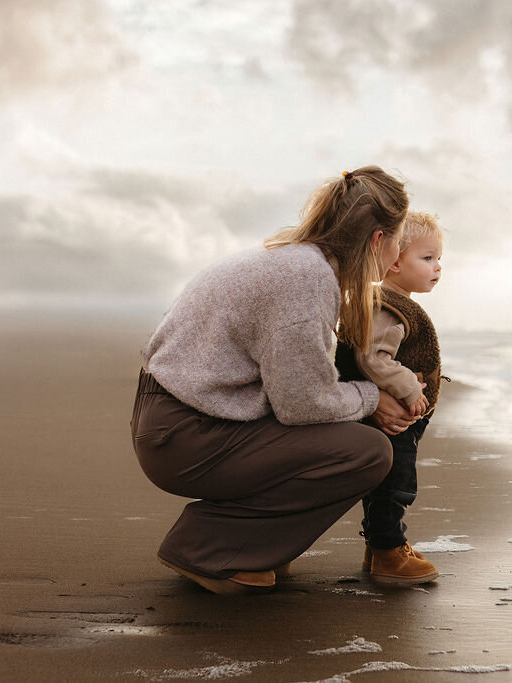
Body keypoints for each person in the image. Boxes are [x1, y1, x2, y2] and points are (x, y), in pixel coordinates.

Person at [130, 166, 420, 595]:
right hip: (186, 434)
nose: (398, 256)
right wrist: (373, 396)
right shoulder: (307, 280)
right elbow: (302, 405)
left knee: (344, 433)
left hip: (179, 418)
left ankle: (252, 545)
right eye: (398, 241)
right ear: (378, 239)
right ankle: (207, 547)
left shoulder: (296, 260)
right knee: (368, 452)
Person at [335, 211, 444, 585]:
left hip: (397, 415)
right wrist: (411, 388)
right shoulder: (387, 306)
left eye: (438, 258)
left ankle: (381, 546)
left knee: (388, 483)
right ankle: (388, 553)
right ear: (396, 261)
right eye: (427, 258)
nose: (438, 266)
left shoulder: (395, 303)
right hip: (392, 417)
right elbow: (372, 357)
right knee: (396, 484)